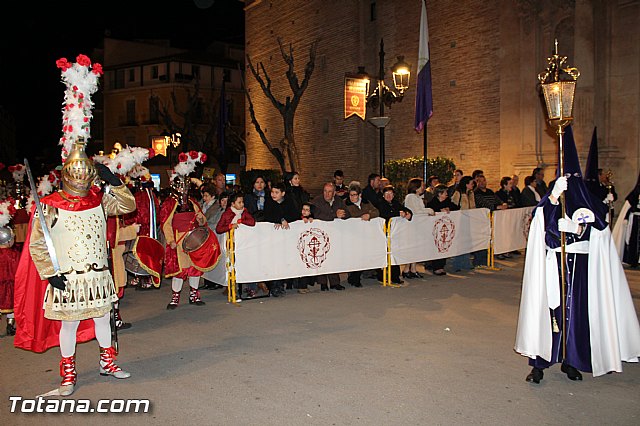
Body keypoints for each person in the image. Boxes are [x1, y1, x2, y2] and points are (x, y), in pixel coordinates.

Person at [14, 55, 135, 397]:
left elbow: (127, 206)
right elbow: (38, 242)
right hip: (66, 274)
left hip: (97, 274)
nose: (81, 179)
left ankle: (107, 362)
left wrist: (115, 182)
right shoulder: (50, 205)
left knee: (101, 320)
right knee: (67, 324)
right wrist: (48, 271)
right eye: (76, 174)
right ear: (67, 174)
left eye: (87, 175)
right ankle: (67, 375)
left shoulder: (98, 199)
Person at [514, 126, 640, 384]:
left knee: (577, 314)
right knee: (550, 313)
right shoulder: (551, 199)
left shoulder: (586, 199)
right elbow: (541, 228)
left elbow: (601, 230)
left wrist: (580, 228)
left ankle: (571, 360)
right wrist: (551, 201)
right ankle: (540, 363)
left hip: (580, 267)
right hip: (555, 264)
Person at [161, 175, 209, 309]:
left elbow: (202, 220)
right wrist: (170, 240)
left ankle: (194, 294)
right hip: (178, 241)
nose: (184, 189)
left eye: (186, 185)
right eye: (181, 185)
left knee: (195, 268)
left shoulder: (193, 202)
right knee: (179, 270)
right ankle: (175, 297)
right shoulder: (169, 203)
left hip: (194, 240)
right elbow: (166, 224)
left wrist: (201, 219)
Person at [311, 182, 351, 290]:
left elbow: (348, 213)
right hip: (320, 234)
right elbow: (317, 215)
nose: (327, 194)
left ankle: (334, 282)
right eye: (325, 191)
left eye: (329, 192)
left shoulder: (338, 201)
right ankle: (323, 283)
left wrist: (343, 214)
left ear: (334, 193)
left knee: (333, 257)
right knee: (322, 257)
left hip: (335, 234)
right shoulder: (317, 201)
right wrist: (334, 215)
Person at [345, 183, 380, 287]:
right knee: (356, 257)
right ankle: (354, 277)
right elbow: (349, 216)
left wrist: (369, 215)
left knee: (366, 254)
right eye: (350, 195)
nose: (352, 197)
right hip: (353, 234)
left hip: (366, 234)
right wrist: (362, 215)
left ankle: (368, 273)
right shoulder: (346, 204)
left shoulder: (366, 202)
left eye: (354, 195)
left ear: (359, 195)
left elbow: (376, 211)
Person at [377, 185, 412, 284]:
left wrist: (408, 213)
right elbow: (384, 214)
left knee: (394, 254)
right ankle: (382, 276)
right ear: (383, 195)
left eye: (390, 194)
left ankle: (395, 276)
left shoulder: (396, 203)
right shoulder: (380, 204)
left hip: (395, 234)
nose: (388, 196)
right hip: (384, 233)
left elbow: (405, 209)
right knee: (385, 255)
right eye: (386, 194)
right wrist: (397, 213)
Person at [403, 177, 434, 278]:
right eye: (421, 185)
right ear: (416, 187)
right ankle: (407, 269)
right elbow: (416, 211)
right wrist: (429, 210)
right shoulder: (411, 197)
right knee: (412, 247)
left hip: (417, 226)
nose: (423, 188)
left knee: (415, 248)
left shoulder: (416, 197)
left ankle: (412, 268)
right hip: (412, 226)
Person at [427, 185, 460, 275]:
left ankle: (441, 266)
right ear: (439, 194)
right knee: (437, 246)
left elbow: (457, 207)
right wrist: (439, 210)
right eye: (445, 192)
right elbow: (429, 211)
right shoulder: (432, 202)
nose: (446, 194)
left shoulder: (447, 201)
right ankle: (436, 267)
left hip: (445, 228)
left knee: (444, 245)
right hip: (436, 229)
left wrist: (449, 209)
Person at [612, 172, 640, 268]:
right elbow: (628, 207)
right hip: (636, 220)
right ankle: (633, 260)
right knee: (634, 241)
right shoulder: (635, 193)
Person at [0, 210, 19, 336]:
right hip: (10, 285)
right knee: (10, 305)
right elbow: (17, 269)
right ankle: (10, 325)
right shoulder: (13, 254)